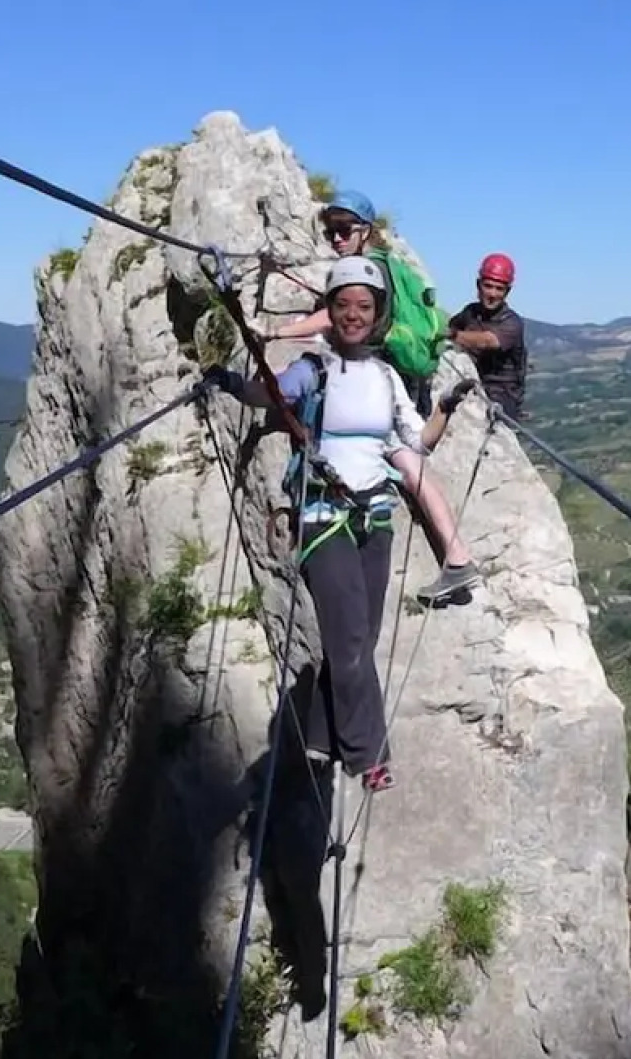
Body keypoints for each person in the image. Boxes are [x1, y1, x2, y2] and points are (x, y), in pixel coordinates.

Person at [214, 256, 478, 793]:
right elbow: (272, 393)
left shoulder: (385, 378)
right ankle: (367, 754)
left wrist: (445, 409)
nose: (354, 315)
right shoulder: (314, 370)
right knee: (351, 642)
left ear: (378, 313)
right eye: (343, 305)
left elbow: (416, 443)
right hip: (324, 515)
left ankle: (320, 736)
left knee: (359, 640)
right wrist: (231, 383)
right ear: (329, 312)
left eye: (364, 306)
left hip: (374, 517)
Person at [261, 190, 475, 603]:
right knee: (415, 469)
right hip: (398, 377)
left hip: (380, 382)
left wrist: (277, 332)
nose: (336, 239)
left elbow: (332, 318)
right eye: (331, 232)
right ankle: (457, 557)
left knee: (411, 467)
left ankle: (457, 556)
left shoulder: (369, 269)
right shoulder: (392, 264)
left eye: (344, 230)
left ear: (366, 231)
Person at [447, 253, 529, 421]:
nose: (492, 294)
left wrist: (452, 335)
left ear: (507, 291)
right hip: (472, 384)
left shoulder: (512, 323)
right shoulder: (470, 312)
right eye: (488, 286)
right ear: (478, 285)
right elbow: (449, 324)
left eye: (499, 289)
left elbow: (489, 341)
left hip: (502, 395)